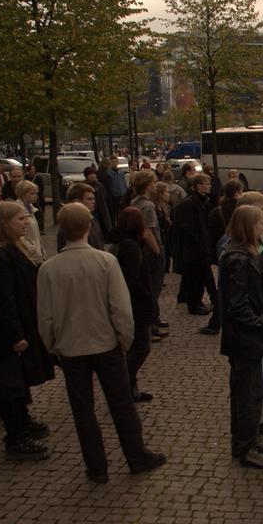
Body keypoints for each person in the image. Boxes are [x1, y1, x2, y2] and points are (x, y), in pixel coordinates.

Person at [39, 204, 166, 484]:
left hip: (71, 348)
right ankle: (136, 456)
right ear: (89, 227)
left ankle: (96, 466)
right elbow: (121, 308)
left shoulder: (48, 268)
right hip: (106, 344)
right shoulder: (105, 261)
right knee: (121, 404)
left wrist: (52, 345)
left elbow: (45, 315)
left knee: (83, 410)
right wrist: (124, 340)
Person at [0, 201, 55, 461]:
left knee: (19, 380)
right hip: (7, 334)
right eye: (20, 218)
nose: (26, 222)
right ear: (5, 223)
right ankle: (15, 436)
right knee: (9, 384)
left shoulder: (11, 250)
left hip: (21, 326)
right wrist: (15, 335)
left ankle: (23, 422)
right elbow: (3, 301)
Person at [219, 205, 263, 469]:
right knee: (248, 394)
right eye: (259, 223)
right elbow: (237, 304)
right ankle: (246, 446)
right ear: (247, 226)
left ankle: (245, 440)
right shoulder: (238, 257)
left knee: (246, 392)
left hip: (245, 336)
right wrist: (259, 323)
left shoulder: (241, 252)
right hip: (245, 338)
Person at [106, 207, 155, 402]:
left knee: (136, 347)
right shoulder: (130, 247)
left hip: (133, 303)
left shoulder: (122, 243)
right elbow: (133, 280)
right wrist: (147, 299)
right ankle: (122, 384)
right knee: (141, 347)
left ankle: (130, 388)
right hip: (137, 306)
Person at [200, 179, 244, 335]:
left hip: (223, 252)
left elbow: (210, 236)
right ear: (237, 193)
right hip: (240, 252)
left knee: (223, 287)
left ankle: (215, 323)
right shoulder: (242, 211)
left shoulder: (216, 211)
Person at [130, 170, 166, 336]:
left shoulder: (135, 201)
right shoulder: (148, 206)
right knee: (153, 288)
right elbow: (147, 231)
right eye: (153, 183)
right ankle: (150, 323)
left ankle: (154, 318)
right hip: (150, 251)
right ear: (147, 185)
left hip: (142, 250)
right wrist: (158, 251)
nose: (155, 185)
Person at [174, 174, 217, 314]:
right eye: (206, 184)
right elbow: (186, 226)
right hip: (194, 247)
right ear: (198, 186)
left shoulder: (204, 202)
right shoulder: (190, 204)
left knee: (200, 275)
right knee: (196, 277)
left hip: (201, 245)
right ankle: (195, 304)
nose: (209, 186)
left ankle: (198, 300)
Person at [59, 183, 105, 251]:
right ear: (77, 201)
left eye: (93, 199)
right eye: (89, 199)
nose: (93, 202)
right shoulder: (70, 224)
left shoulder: (92, 220)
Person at [15, 180, 45, 264]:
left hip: (35, 254)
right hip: (28, 256)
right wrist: (32, 250)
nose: (36, 196)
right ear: (23, 194)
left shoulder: (31, 209)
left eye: (36, 193)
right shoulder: (18, 210)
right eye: (32, 193)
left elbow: (36, 234)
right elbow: (19, 237)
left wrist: (41, 250)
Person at [23, 164, 46, 235]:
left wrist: (36, 192)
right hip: (29, 199)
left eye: (33, 169)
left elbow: (42, 187)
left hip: (38, 199)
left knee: (40, 213)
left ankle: (41, 229)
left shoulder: (38, 177)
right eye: (31, 169)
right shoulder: (26, 178)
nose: (32, 171)